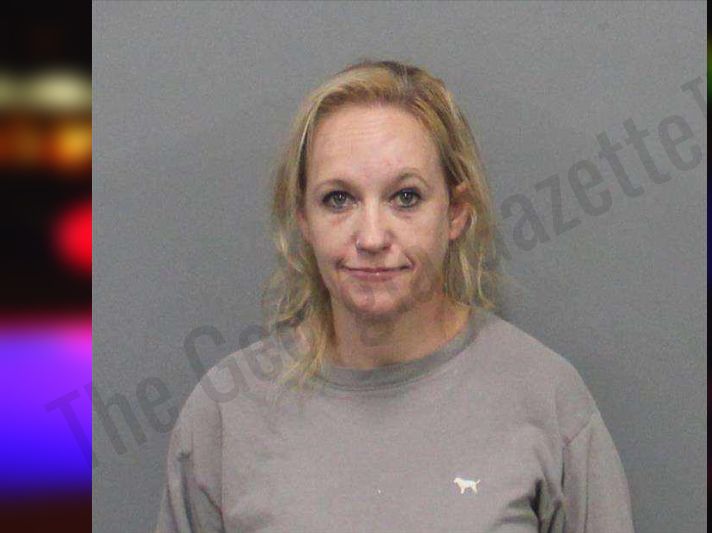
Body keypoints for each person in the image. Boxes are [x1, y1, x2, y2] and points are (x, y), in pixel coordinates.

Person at [155, 59, 634, 532]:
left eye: (406, 197)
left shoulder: (547, 400)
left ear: (456, 212)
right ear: (303, 218)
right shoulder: (226, 414)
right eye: (338, 199)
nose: (371, 237)